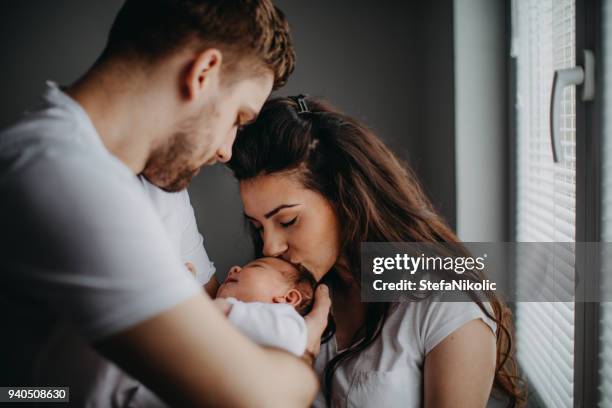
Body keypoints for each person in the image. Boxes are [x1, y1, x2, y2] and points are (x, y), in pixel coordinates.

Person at [0, 2, 331, 406]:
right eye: (237, 118)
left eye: (290, 220)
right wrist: (304, 354)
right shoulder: (64, 176)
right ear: (203, 73)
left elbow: (428, 295)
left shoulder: (409, 267)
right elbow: (254, 396)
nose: (227, 150)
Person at [228, 96, 526, 407]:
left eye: (288, 220)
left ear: (344, 197)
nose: (269, 247)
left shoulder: (444, 302)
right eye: (259, 226)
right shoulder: (283, 297)